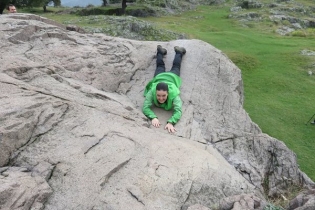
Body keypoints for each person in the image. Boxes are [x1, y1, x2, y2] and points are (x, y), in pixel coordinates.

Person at [142, 45, 186, 133]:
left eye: (163, 96)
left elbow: (178, 110)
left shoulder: (173, 94)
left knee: (175, 66)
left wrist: (171, 122)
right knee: (160, 66)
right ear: (155, 92)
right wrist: (153, 117)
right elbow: (145, 107)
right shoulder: (152, 91)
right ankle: (161, 51)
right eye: (158, 95)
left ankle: (179, 52)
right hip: (159, 78)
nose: (161, 98)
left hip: (172, 77)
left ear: (168, 93)